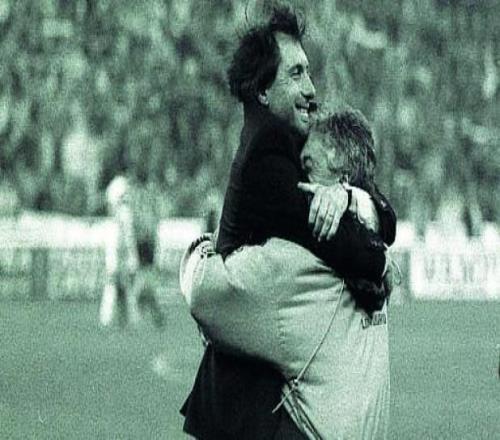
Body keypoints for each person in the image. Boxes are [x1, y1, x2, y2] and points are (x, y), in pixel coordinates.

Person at [181, 6, 395, 439]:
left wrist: (349, 197)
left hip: (260, 393)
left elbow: (378, 210)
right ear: (263, 90)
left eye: (308, 72)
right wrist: (381, 264)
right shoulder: (268, 148)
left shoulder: (285, 139)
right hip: (245, 408)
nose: (311, 88)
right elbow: (338, 241)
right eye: (296, 74)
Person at [99, 175, 139, 327]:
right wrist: (123, 252)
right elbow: (123, 236)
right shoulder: (123, 213)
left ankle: (119, 317)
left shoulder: (123, 213)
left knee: (122, 285)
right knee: (117, 283)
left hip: (123, 251)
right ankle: (113, 317)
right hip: (122, 251)